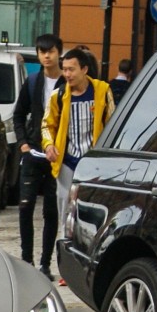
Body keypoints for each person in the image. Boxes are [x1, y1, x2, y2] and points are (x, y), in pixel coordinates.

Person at [42, 46, 116, 226]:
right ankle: (63, 244)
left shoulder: (102, 91)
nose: (67, 74)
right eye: (65, 69)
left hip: (93, 160)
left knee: (91, 206)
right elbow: (47, 124)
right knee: (65, 205)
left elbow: (112, 124)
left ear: (84, 69)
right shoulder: (58, 96)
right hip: (66, 159)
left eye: (71, 69)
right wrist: (49, 145)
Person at [12, 32, 65, 279]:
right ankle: (26, 260)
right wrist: (22, 142)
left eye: (50, 51)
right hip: (33, 151)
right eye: (42, 51)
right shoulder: (33, 82)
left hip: (58, 155)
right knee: (25, 207)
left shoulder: (68, 83)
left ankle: (45, 263)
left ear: (59, 53)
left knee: (51, 211)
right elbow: (19, 114)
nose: (46, 56)